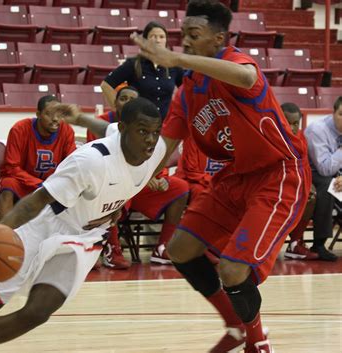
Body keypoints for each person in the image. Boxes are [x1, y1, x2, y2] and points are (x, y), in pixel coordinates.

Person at [0, 97, 167, 353]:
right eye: (142, 131)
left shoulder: (155, 150)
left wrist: (80, 118)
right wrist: (1, 231)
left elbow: (108, 128)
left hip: (86, 239)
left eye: (155, 132)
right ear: (124, 129)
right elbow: (36, 201)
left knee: (38, 312)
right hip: (49, 225)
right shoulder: (90, 162)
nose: (149, 140)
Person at [131, 1, 311, 352]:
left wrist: (177, 60)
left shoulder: (238, 65)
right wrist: (124, 190)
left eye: (193, 35)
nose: (184, 41)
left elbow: (246, 77)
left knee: (232, 269)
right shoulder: (186, 94)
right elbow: (162, 149)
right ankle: (234, 325)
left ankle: (257, 342)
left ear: (218, 38)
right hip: (235, 177)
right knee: (179, 249)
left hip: (279, 174)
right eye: (182, 34)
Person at [88, 85, 189, 266]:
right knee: (111, 188)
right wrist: (143, 176)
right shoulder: (101, 124)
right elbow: (98, 163)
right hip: (114, 183)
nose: (128, 102)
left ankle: (163, 247)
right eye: (123, 98)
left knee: (181, 187)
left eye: (132, 99)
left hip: (141, 186)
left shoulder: (149, 125)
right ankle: (112, 248)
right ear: (115, 103)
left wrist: (160, 177)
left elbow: (157, 155)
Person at [0, 95, 76, 221]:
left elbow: (71, 164)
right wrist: (39, 184)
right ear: (38, 114)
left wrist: (53, 184)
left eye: (59, 114)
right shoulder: (20, 129)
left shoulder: (67, 131)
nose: (55, 119)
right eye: (49, 114)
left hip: (52, 184)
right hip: (24, 183)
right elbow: (11, 167)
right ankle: (2, 235)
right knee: (8, 184)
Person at [100, 21, 184, 119]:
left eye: (161, 37)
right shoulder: (133, 64)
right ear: (145, 40)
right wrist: (121, 111)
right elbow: (106, 85)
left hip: (164, 125)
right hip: (138, 123)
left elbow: (186, 90)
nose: (158, 40)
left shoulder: (173, 66)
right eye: (153, 36)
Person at [303, 96, 342, 261]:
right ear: (333, 112)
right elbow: (325, 168)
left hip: (338, 175)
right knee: (328, 186)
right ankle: (319, 243)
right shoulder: (317, 130)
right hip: (314, 175)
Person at [280, 103, 318, 260]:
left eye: (295, 123)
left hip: (293, 182)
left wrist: (306, 186)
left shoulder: (301, 137)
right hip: (272, 184)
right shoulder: (268, 134)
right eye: (287, 122)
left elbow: (304, 168)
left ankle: (294, 244)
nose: (291, 127)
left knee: (311, 194)